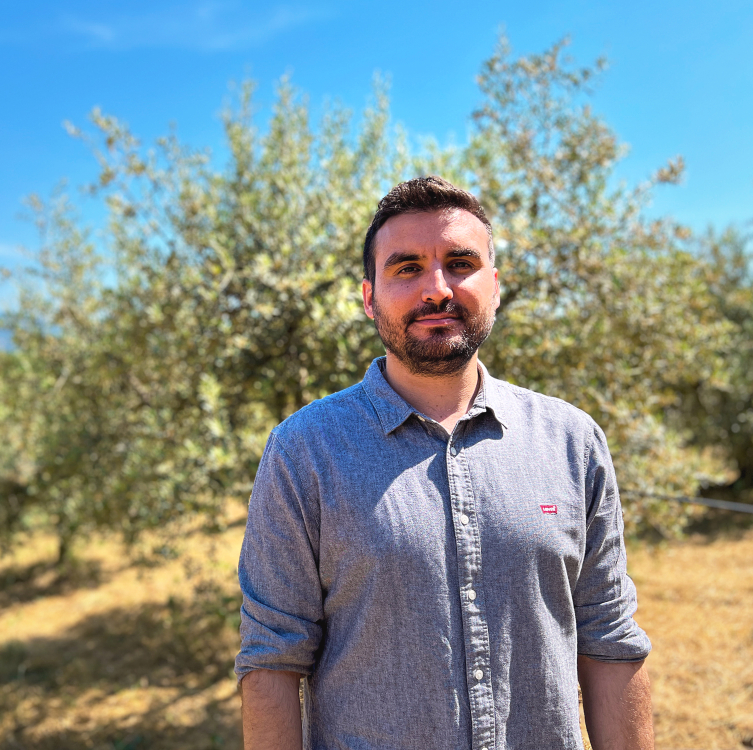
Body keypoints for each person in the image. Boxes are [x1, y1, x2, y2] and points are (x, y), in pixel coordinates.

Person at [235, 176, 654, 750]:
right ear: (369, 298)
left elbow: (609, 637)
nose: (437, 289)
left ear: (495, 287)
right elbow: (271, 660)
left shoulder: (572, 440)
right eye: (407, 268)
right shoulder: (303, 451)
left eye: (460, 264)